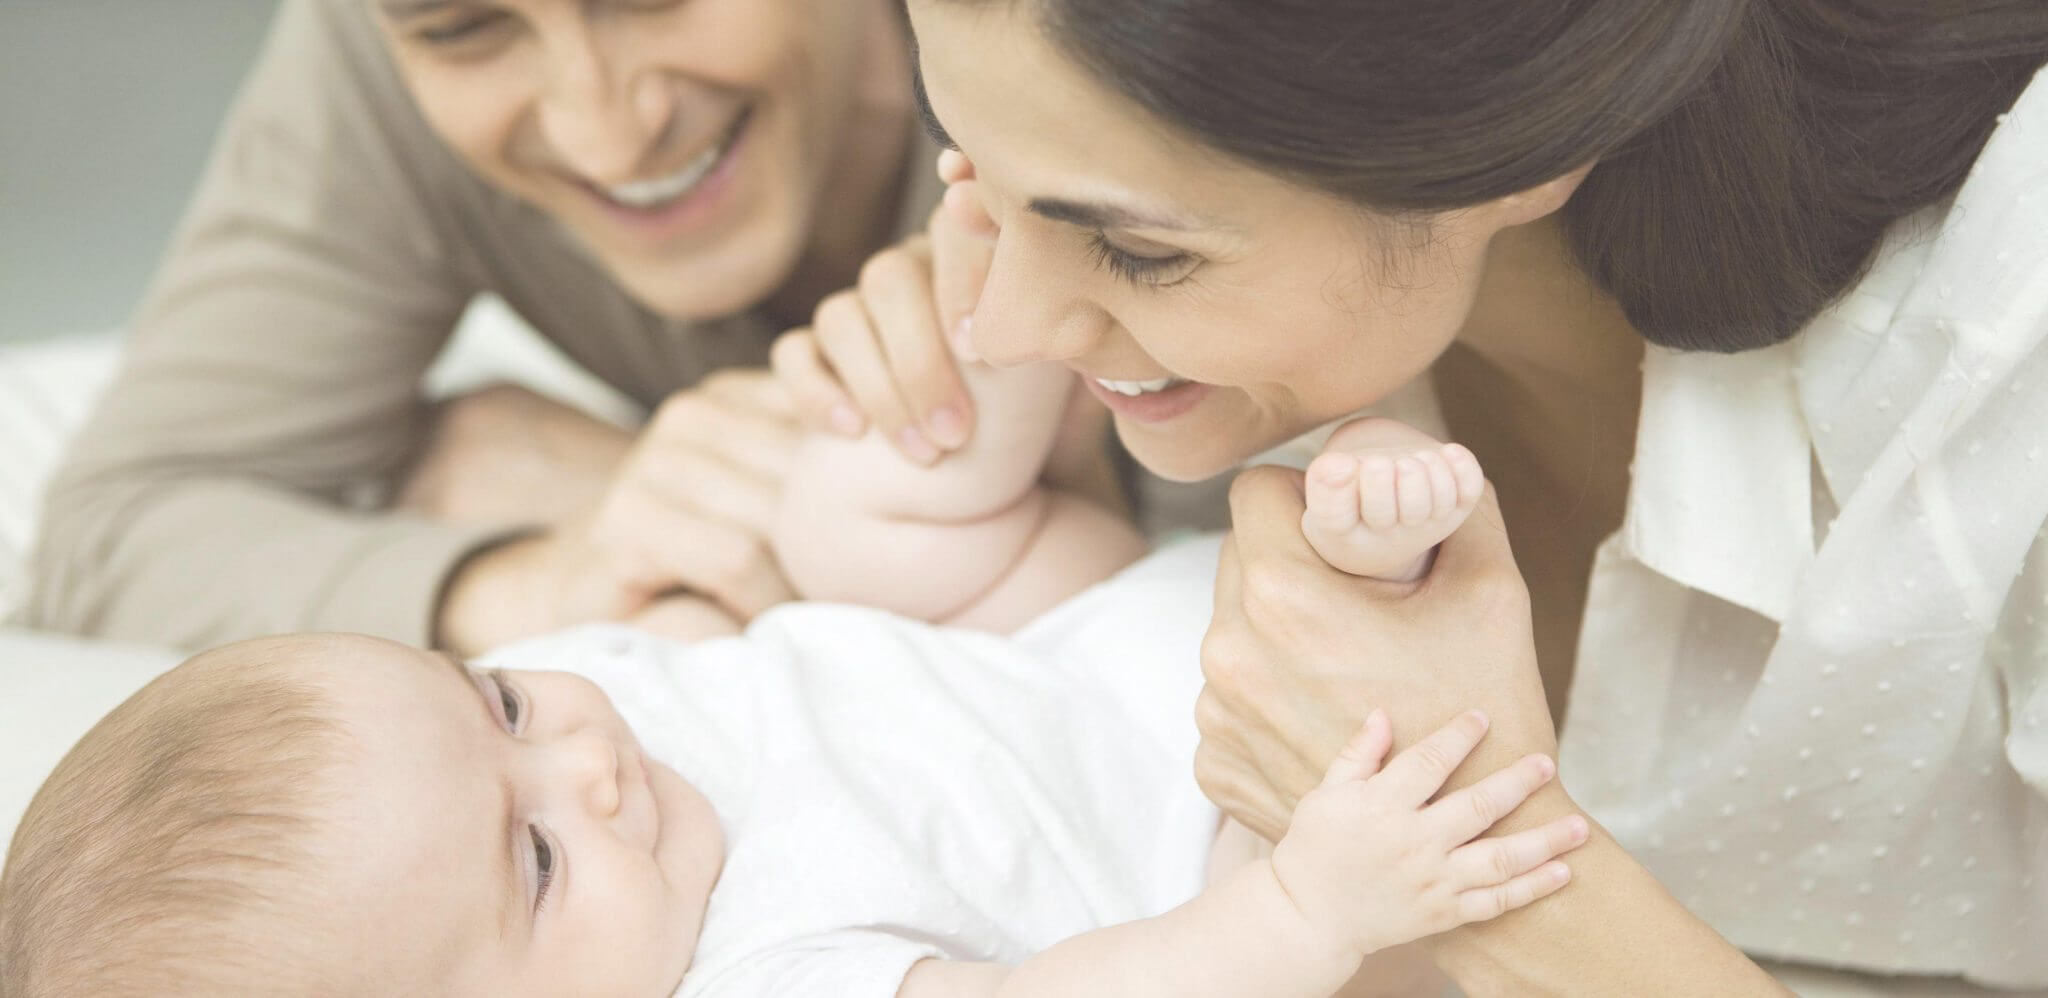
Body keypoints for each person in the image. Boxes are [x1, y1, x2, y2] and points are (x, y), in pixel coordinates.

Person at [775, 0, 2048, 992]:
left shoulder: (2008, 326)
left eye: (1136, 248)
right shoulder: (1172, 353)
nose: (1004, 325)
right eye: (971, 168)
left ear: (1519, 142)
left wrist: (1482, 861)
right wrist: (1033, 539)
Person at [0, 372, 1563, 996]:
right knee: (1344, 877)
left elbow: (721, 636)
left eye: (496, 703)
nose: (586, 758)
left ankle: (1004, 347)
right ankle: (1368, 567)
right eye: (534, 860)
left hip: (1042, 649)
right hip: (1187, 839)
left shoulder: (584, 735)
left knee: (839, 513)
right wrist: (1304, 908)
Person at [23, 0, 1092, 656]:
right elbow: (115, 530)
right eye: (464, 29)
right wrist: (545, 572)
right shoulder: (379, 42)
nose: (605, 136)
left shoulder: (1115, 46)